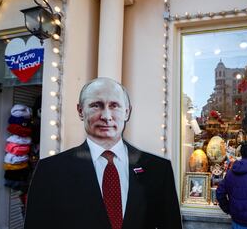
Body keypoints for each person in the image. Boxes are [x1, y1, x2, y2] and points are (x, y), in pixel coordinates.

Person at [24, 77, 182, 229]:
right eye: (96, 105)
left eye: (114, 106)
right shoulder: (50, 171)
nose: (106, 116)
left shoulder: (159, 170)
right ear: (80, 111)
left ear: (127, 112)